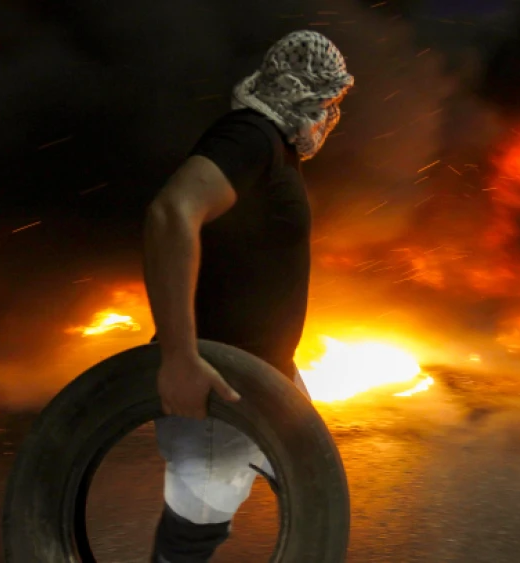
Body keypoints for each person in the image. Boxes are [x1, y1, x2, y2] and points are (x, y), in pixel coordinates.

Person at [142, 30, 354, 562]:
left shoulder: (276, 147)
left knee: (316, 503)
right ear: (299, 91)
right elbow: (170, 213)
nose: (330, 115)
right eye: (326, 101)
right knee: (191, 539)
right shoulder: (250, 136)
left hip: (266, 374)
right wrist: (179, 359)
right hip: (220, 386)